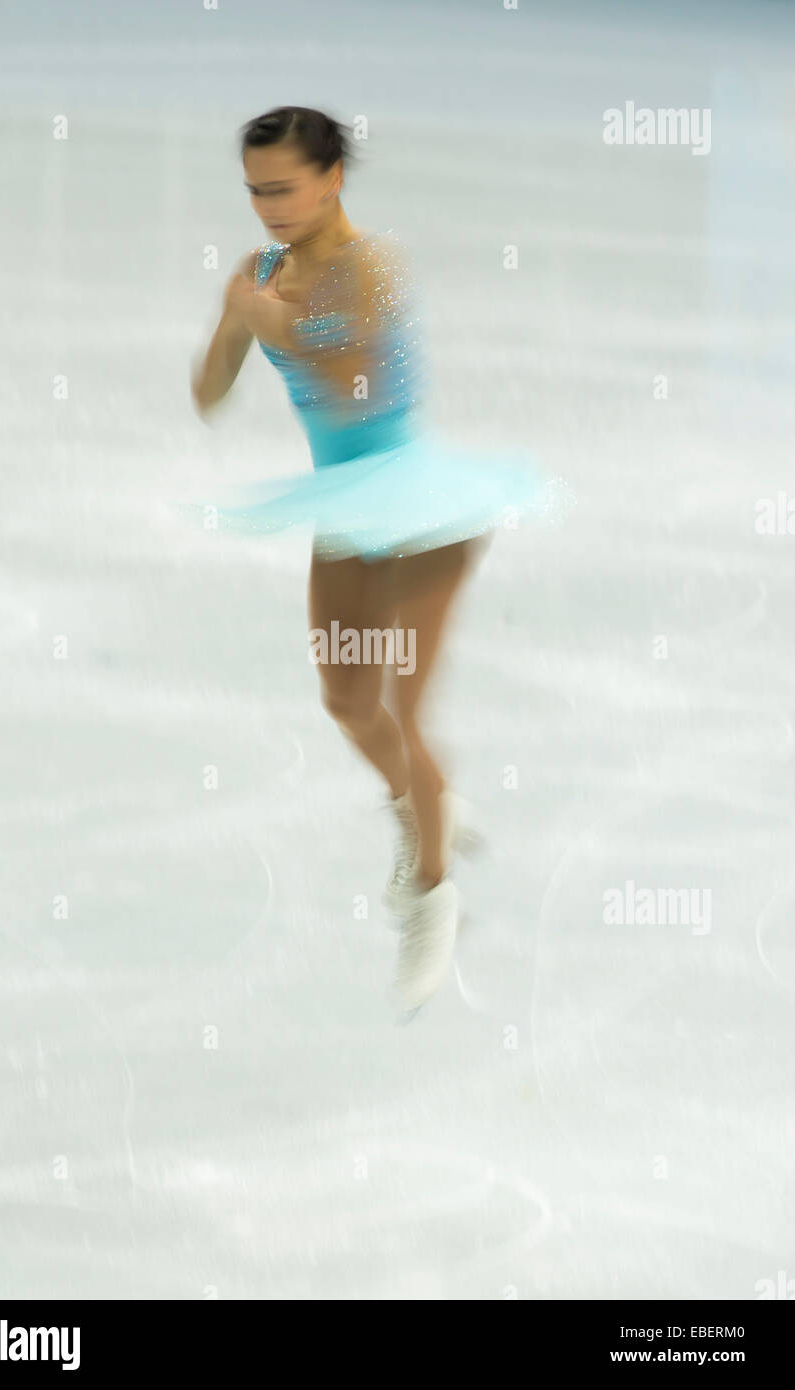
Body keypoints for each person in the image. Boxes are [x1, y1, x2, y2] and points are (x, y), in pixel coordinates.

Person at [190, 106, 569, 1016]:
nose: (267, 206)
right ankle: (422, 804)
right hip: (344, 512)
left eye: (283, 186)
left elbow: (354, 384)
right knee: (347, 701)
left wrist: (274, 326)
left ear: (332, 180)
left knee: (403, 699)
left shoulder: (372, 267)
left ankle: (433, 898)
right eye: (254, 188)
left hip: (423, 510)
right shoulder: (265, 274)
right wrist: (234, 319)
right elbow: (209, 397)